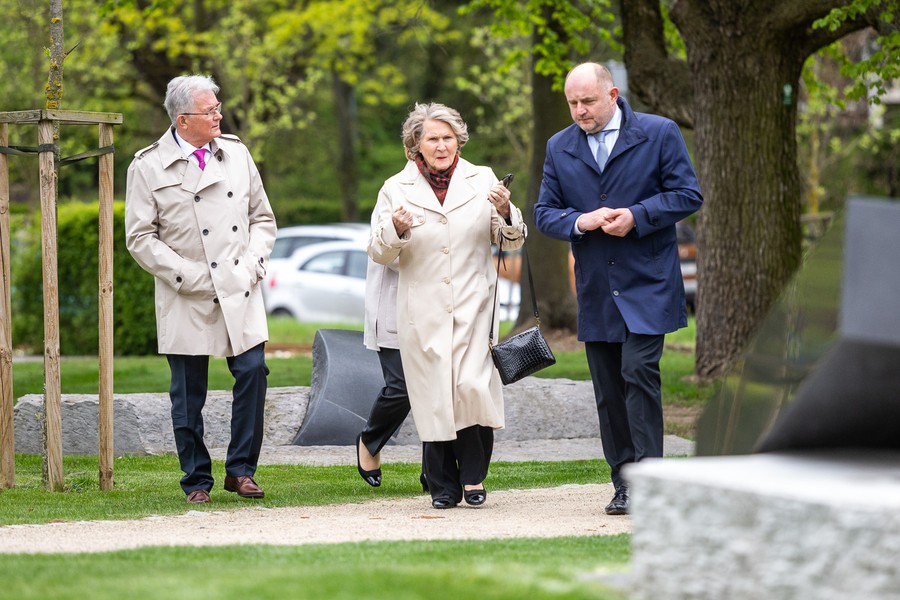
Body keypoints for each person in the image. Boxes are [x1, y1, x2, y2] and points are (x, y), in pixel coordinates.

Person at [534, 63, 703, 516]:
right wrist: (579, 221)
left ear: (612, 94)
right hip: (596, 287)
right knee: (609, 390)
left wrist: (637, 215)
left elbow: (688, 194)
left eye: (587, 101)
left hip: (648, 282)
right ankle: (624, 483)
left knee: (638, 374)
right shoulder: (559, 146)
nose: (579, 111)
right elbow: (544, 212)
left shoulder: (660, 132)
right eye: (572, 102)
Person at [125, 74, 277, 504]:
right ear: (183, 118)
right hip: (186, 292)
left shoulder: (237, 153)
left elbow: (263, 219)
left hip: (239, 287)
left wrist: (253, 264)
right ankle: (196, 479)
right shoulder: (147, 166)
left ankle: (241, 471)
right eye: (210, 111)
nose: (218, 115)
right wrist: (189, 276)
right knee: (188, 394)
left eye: (217, 108)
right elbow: (140, 237)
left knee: (253, 373)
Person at [368, 102, 526, 509]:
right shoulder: (394, 188)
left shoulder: (483, 180)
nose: (441, 146)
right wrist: (397, 229)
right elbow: (379, 252)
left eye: (448, 137)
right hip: (421, 307)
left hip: (474, 303)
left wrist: (507, 209)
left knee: (472, 388)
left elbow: (511, 240)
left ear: (459, 139)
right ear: (415, 145)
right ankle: (442, 485)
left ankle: (473, 477)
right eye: (432, 139)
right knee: (433, 393)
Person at [355, 257, 423, 490]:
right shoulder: (385, 216)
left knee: (438, 390)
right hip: (393, 308)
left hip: (441, 308)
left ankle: (436, 470)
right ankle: (370, 440)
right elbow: (389, 255)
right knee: (401, 388)